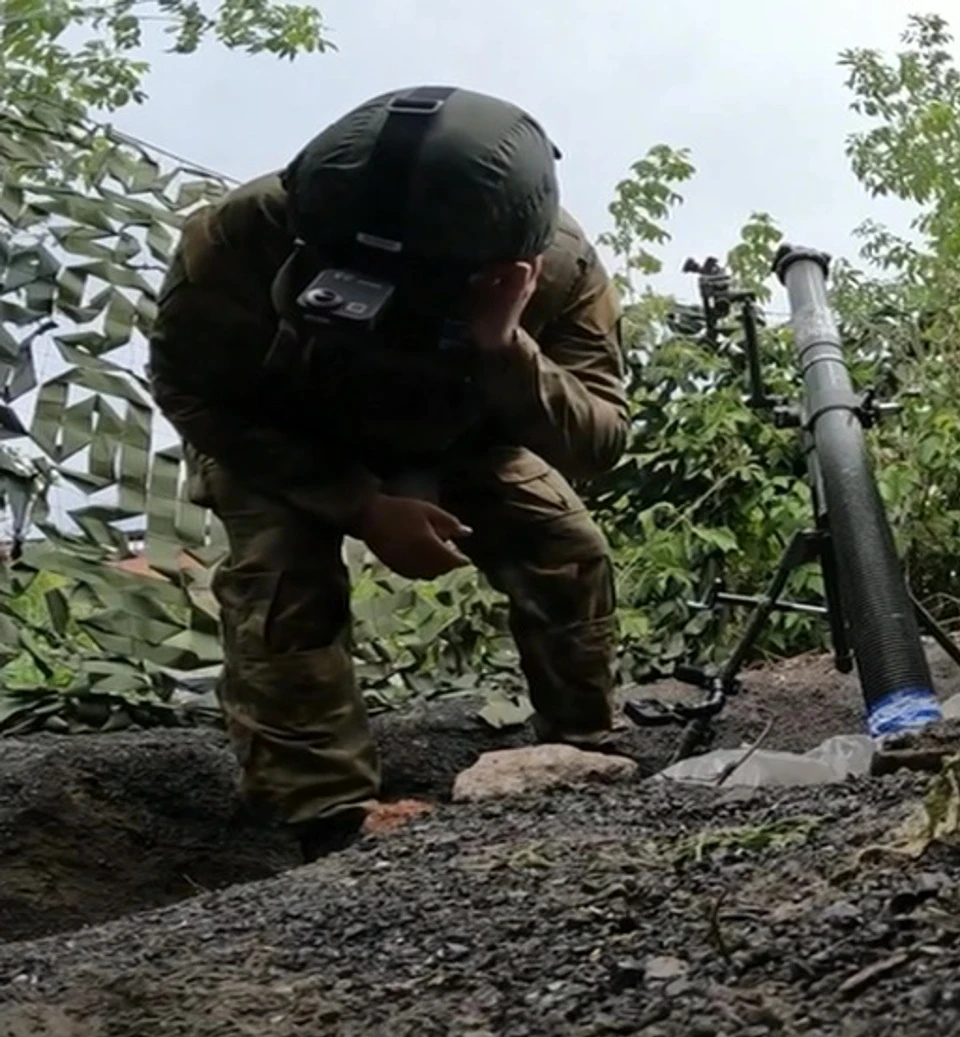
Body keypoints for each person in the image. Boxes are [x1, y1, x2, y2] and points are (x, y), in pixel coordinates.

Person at [147, 86, 631, 860]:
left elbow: (599, 438)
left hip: (459, 432)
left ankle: (584, 755)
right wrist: (360, 505)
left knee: (565, 546)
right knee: (280, 577)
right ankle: (324, 824)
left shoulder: (560, 268)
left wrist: (507, 348)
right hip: (283, 434)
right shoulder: (243, 234)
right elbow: (189, 389)